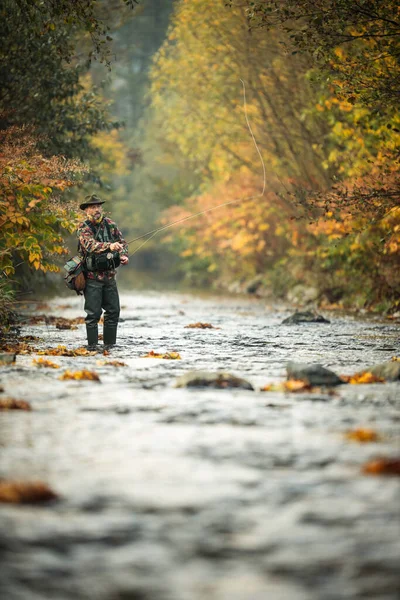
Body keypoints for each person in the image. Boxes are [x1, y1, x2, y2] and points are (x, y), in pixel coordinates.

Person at [77, 194, 129, 349]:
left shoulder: (110, 224)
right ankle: (92, 347)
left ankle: (110, 346)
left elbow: (122, 242)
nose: (97, 209)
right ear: (86, 210)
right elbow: (90, 245)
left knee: (113, 312)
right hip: (92, 277)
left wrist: (123, 255)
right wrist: (109, 246)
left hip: (110, 276)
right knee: (93, 315)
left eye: (98, 206)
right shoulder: (83, 227)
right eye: (93, 207)